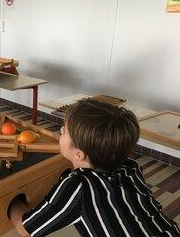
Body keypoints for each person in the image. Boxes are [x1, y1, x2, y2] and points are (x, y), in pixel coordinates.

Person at [9, 99, 180, 237]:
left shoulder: (78, 186)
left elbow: (26, 230)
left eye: (64, 131)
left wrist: (12, 203)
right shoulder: (131, 167)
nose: (60, 132)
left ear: (80, 154)